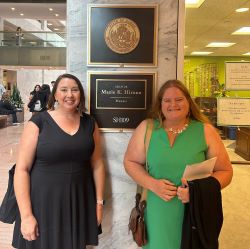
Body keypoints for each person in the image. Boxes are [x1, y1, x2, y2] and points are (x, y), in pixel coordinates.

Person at [124, 79, 233, 249]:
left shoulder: (205, 131)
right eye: (166, 100)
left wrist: (196, 193)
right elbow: (130, 162)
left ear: (189, 102)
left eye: (179, 99)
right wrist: (153, 184)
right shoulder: (147, 128)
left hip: (192, 214)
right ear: (160, 104)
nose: (172, 104)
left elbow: (225, 171)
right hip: (156, 213)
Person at [13, 73, 106, 249]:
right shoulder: (39, 122)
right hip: (43, 202)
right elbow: (22, 169)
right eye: (64, 90)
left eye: (74, 90)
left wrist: (99, 204)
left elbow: (98, 164)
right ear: (55, 95)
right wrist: (26, 216)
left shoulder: (90, 124)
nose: (69, 95)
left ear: (81, 95)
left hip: (79, 201)